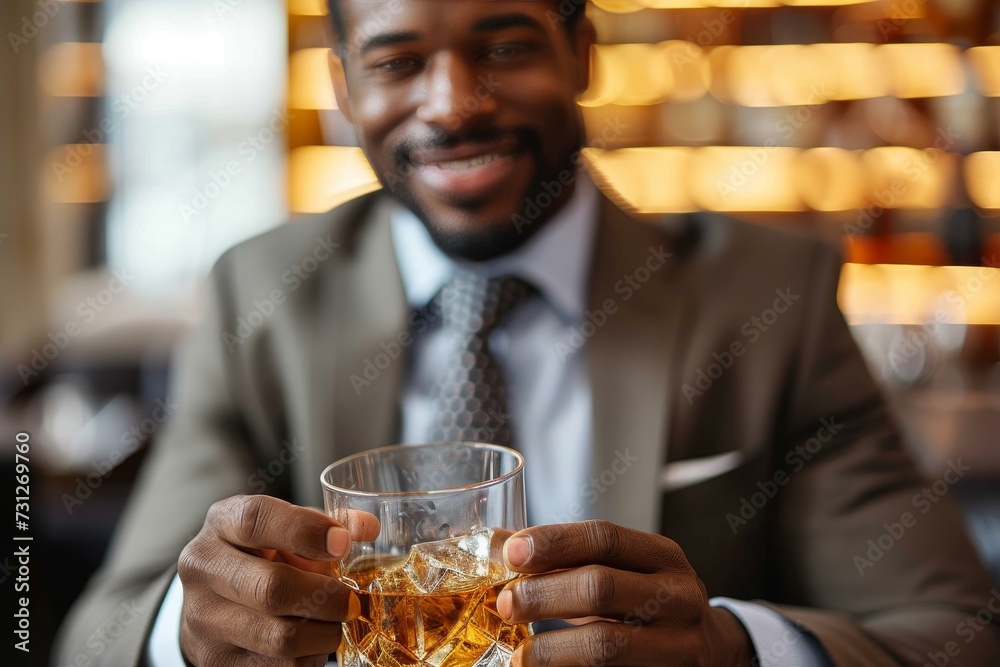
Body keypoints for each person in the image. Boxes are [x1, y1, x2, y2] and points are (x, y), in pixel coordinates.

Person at [56, 1, 1000, 666]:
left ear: (583, 52)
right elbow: (96, 633)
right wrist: (188, 628)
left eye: (504, 47)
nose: (454, 103)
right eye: (396, 62)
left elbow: (954, 630)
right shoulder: (261, 296)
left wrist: (729, 646)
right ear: (343, 88)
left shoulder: (768, 299)